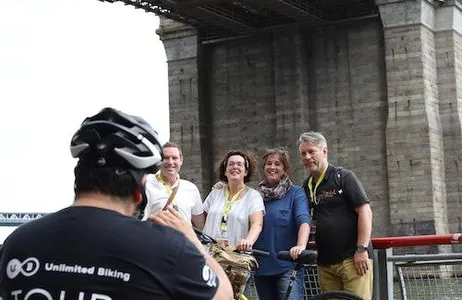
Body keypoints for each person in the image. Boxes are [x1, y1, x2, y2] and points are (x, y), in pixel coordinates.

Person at [0, 107, 233, 300]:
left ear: (79, 177)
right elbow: (222, 296)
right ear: (140, 189)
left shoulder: (17, 243)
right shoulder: (167, 247)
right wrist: (192, 241)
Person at [297, 131, 373, 300]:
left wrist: (362, 249)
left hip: (353, 260)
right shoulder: (307, 185)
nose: (307, 157)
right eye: (303, 153)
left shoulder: (344, 177)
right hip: (325, 263)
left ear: (324, 151)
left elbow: (365, 212)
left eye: (312, 151)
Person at [252, 148, 311, 300]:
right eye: (269, 163)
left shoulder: (295, 193)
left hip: (287, 266)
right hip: (261, 267)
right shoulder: (254, 196)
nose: (272, 167)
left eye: (277, 164)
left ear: (285, 169)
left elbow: (303, 220)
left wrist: (301, 246)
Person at [203, 150, 265, 251]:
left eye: (239, 164)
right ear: (225, 171)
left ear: (246, 172)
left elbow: (257, 224)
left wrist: (249, 241)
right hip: (209, 255)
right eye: (231, 164)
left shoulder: (253, 196)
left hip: (235, 257)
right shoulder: (215, 193)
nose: (235, 167)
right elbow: (200, 219)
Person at [142, 142, 205, 229]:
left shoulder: (191, 188)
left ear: (181, 160)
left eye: (174, 158)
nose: (170, 162)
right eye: (166, 158)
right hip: (156, 240)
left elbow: (200, 224)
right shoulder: (146, 184)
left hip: (184, 241)